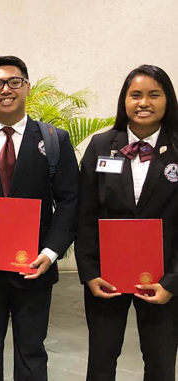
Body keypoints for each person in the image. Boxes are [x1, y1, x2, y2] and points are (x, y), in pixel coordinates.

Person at [0, 56, 79, 381]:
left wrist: (50, 253)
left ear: (27, 87)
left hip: (33, 267)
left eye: (14, 82)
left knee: (32, 350)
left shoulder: (54, 140)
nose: (6, 89)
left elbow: (69, 201)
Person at [75, 64, 178, 381]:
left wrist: (172, 282)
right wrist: (90, 273)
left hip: (162, 279)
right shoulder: (100, 146)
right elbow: (85, 215)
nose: (144, 102)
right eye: (136, 95)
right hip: (108, 278)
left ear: (167, 100)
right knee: (101, 362)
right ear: (124, 101)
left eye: (153, 95)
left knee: (160, 365)